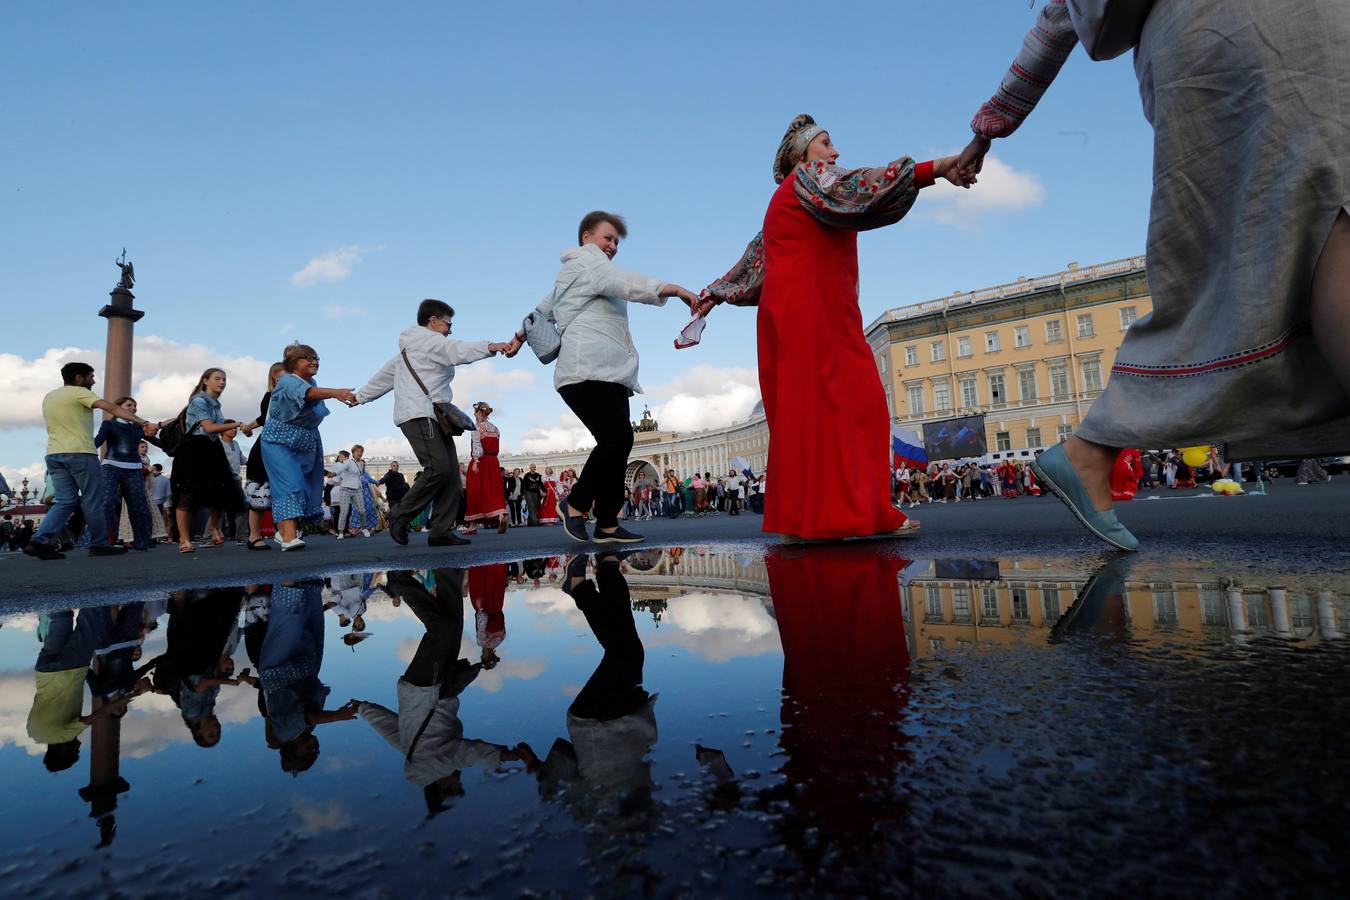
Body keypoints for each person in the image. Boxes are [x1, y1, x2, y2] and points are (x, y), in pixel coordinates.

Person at [959, 0, 1350, 552]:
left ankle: (1092, 447)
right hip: (1271, 32)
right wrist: (982, 131)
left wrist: (986, 130)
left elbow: (1060, 19)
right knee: (1321, 223)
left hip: (1240, 37)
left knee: (1294, 238)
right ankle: (1092, 446)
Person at [700, 116, 971, 540]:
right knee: (860, 405)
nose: (835, 152)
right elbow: (862, 186)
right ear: (802, 156)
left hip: (788, 317)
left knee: (805, 415)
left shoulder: (785, 198)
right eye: (826, 143)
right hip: (816, 312)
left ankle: (804, 520)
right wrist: (935, 168)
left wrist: (716, 292)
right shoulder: (811, 178)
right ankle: (859, 513)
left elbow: (753, 263)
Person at [503, 211, 702, 545]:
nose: (612, 247)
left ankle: (608, 522)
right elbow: (625, 283)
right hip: (587, 370)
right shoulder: (587, 264)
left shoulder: (573, 274)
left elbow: (539, 312)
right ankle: (576, 504)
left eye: (616, 242)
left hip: (606, 373)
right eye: (607, 238)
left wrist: (517, 340)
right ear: (586, 238)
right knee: (616, 439)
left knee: (619, 442)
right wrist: (674, 289)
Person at [354, 299, 510, 547]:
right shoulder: (429, 341)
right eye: (448, 323)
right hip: (419, 414)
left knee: (449, 475)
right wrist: (492, 346)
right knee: (438, 469)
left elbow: (385, 376)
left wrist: (360, 396)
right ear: (433, 321)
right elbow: (457, 351)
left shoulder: (411, 349)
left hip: (433, 416)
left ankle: (441, 530)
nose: (450, 330)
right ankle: (399, 516)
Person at [26, 362, 159, 560]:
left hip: (54, 453)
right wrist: (143, 422)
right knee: (93, 500)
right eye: (91, 377)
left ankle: (39, 540)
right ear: (79, 378)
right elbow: (111, 407)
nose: (94, 381)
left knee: (65, 501)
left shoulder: (51, 396)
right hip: (80, 453)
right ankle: (99, 544)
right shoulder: (79, 392)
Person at [260, 344, 357, 551]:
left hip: (306, 442)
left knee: (306, 488)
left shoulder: (311, 382)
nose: (314, 361)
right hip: (280, 441)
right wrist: (334, 393)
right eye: (307, 357)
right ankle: (288, 537)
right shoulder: (287, 380)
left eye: (316, 357)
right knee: (290, 483)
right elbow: (307, 394)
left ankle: (284, 531)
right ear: (293, 363)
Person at [167, 369, 245, 553]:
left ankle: (214, 527)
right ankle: (184, 539)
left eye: (224, 379)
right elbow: (209, 427)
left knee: (219, 490)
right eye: (217, 379)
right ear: (205, 381)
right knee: (187, 494)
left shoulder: (216, 404)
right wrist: (237, 424)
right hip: (194, 448)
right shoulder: (199, 400)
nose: (222, 382)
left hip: (211, 447)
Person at [94, 397, 157, 551]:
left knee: (139, 506)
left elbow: (157, 441)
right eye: (129, 405)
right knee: (106, 503)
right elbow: (97, 442)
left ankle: (142, 542)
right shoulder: (109, 424)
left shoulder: (137, 427)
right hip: (111, 467)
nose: (133, 408)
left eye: (135, 406)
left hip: (134, 469)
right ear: (118, 408)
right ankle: (104, 541)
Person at [239, 361, 285, 551]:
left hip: (278, 446)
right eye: (284, 374)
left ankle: (284, 533)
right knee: (259, 493)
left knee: (280, 492)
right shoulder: (272, 396)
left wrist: (249, 427)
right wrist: (249, 427)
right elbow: (265, 417)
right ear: (275, 375)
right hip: (266, 448)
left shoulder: (283, 395)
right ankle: (254, 535)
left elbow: (261, 419)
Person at [465, 402, 510, 535]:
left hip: (481, 461)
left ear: (479, 413)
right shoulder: (495, 429)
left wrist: (475, 461)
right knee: (494, 490)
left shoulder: (477, 428)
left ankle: (472, 525)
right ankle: (501, 516)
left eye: (475, 413)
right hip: (493, 462)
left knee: (475, 491)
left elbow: (477, 447)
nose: (475, 416)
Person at [329, 449, 371, 539]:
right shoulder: (348, 462)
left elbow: (363, 475)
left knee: (362, 510)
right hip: (345, 489)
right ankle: (341, 532)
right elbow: (341, 469)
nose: (359, 453)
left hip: (357, 489)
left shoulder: (361, 463)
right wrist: (334, 474)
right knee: (344, 511)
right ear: (353, 453)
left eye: (361, 452)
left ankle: (364, 528)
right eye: (357, 452)